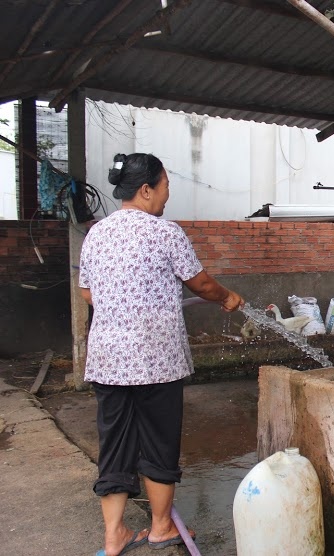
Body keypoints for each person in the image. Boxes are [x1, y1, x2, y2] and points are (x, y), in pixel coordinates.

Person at [79, 153, 244, 555]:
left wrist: (121, 308)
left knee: (115, 443)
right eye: (166, 185)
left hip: (109, 361)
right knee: (158, 441)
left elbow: (87, 292)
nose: (168, 194)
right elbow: (200, 284)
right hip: (156, 360)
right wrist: (227, 296)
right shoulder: (165, 232)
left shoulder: (96, 234)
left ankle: (114, 535)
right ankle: (160, 527)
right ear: (146, 189)